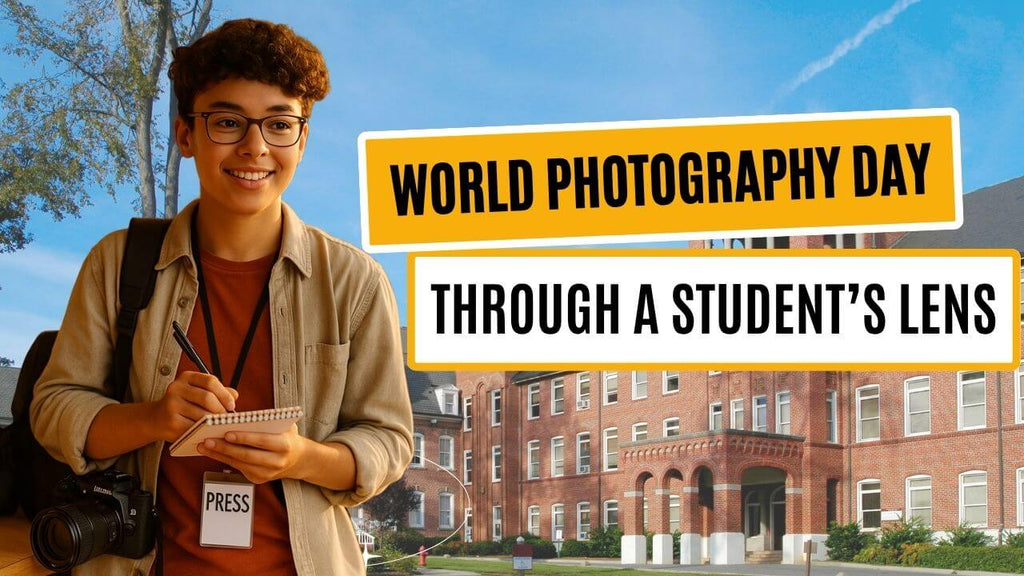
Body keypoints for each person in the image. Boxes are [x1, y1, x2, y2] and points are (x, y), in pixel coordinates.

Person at [30, 19, 413, 575]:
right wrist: (155, 418)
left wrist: (303, 457)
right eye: (228, 121)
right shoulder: (118, 263)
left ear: (302, 140)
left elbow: (389, 438)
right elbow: (54, 407)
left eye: (280, 123)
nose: (255, 147)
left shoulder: (355, 282)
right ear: (186, 135)